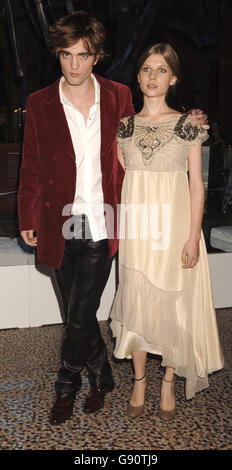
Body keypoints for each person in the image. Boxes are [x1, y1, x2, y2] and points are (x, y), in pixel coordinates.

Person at [18, 10, 208, 426]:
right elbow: (30, 166)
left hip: (104, 220)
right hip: (60, 220)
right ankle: (102, 375)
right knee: (76, 312)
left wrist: (190, 119)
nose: (73, 64)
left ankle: (65, 388)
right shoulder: (39, 103)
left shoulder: (119, 95)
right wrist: (26, 216)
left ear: (96, 57)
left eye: (82, 56)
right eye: (66, 55)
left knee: (81, 311)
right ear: (58, 55)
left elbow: (153, 129)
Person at [110, 43, 224, 421]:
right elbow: (121, 178)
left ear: (173, 78)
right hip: (138, 231)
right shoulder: (124, 126)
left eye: (161, 70)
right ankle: (140, 380)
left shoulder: (189, 125)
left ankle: (168, 381)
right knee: (137, 300)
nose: (152, 77)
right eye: (146, 69)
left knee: (174, 304)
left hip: (175, 231)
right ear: (138, 76)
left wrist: (193, 237)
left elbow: (197, 186)